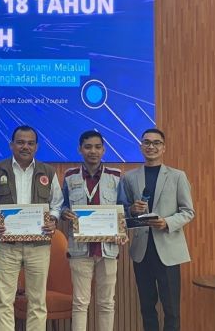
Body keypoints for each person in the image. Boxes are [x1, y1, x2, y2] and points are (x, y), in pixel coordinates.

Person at [0, 125, 63, 331]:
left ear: (36, 147)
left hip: (39, 245)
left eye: (30, 143)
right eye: (20, 142)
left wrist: (53, 219)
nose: (25, 147)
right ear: (11, 145)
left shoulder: (48, 171)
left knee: (37, 301)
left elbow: (57, 204)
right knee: (4, 301)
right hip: (6, 245)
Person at [123, 128, 195, 331]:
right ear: (141, 146)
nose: (151, 146)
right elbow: (124, 213)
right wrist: (132, 209)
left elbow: (188, 211)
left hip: (168, 250)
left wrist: (167, 222)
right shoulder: (129, 178)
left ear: (164, 148)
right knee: (147, 307)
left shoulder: (177, 176)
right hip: (142, 251)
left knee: (171, 309)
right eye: (146, 142)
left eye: (156, 143)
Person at [60, 130, 129, 331]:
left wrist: (122, 231)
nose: (93, 151)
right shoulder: (70, 176)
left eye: (98, 147)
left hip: (108, 248)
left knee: (106, 303)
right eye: (88, 147)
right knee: (80, 302)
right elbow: (62, 205)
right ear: (80, 149)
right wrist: (64, 213)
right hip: (80, 249)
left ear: (103, 150)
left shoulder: (115, 176)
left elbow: (123, 208)